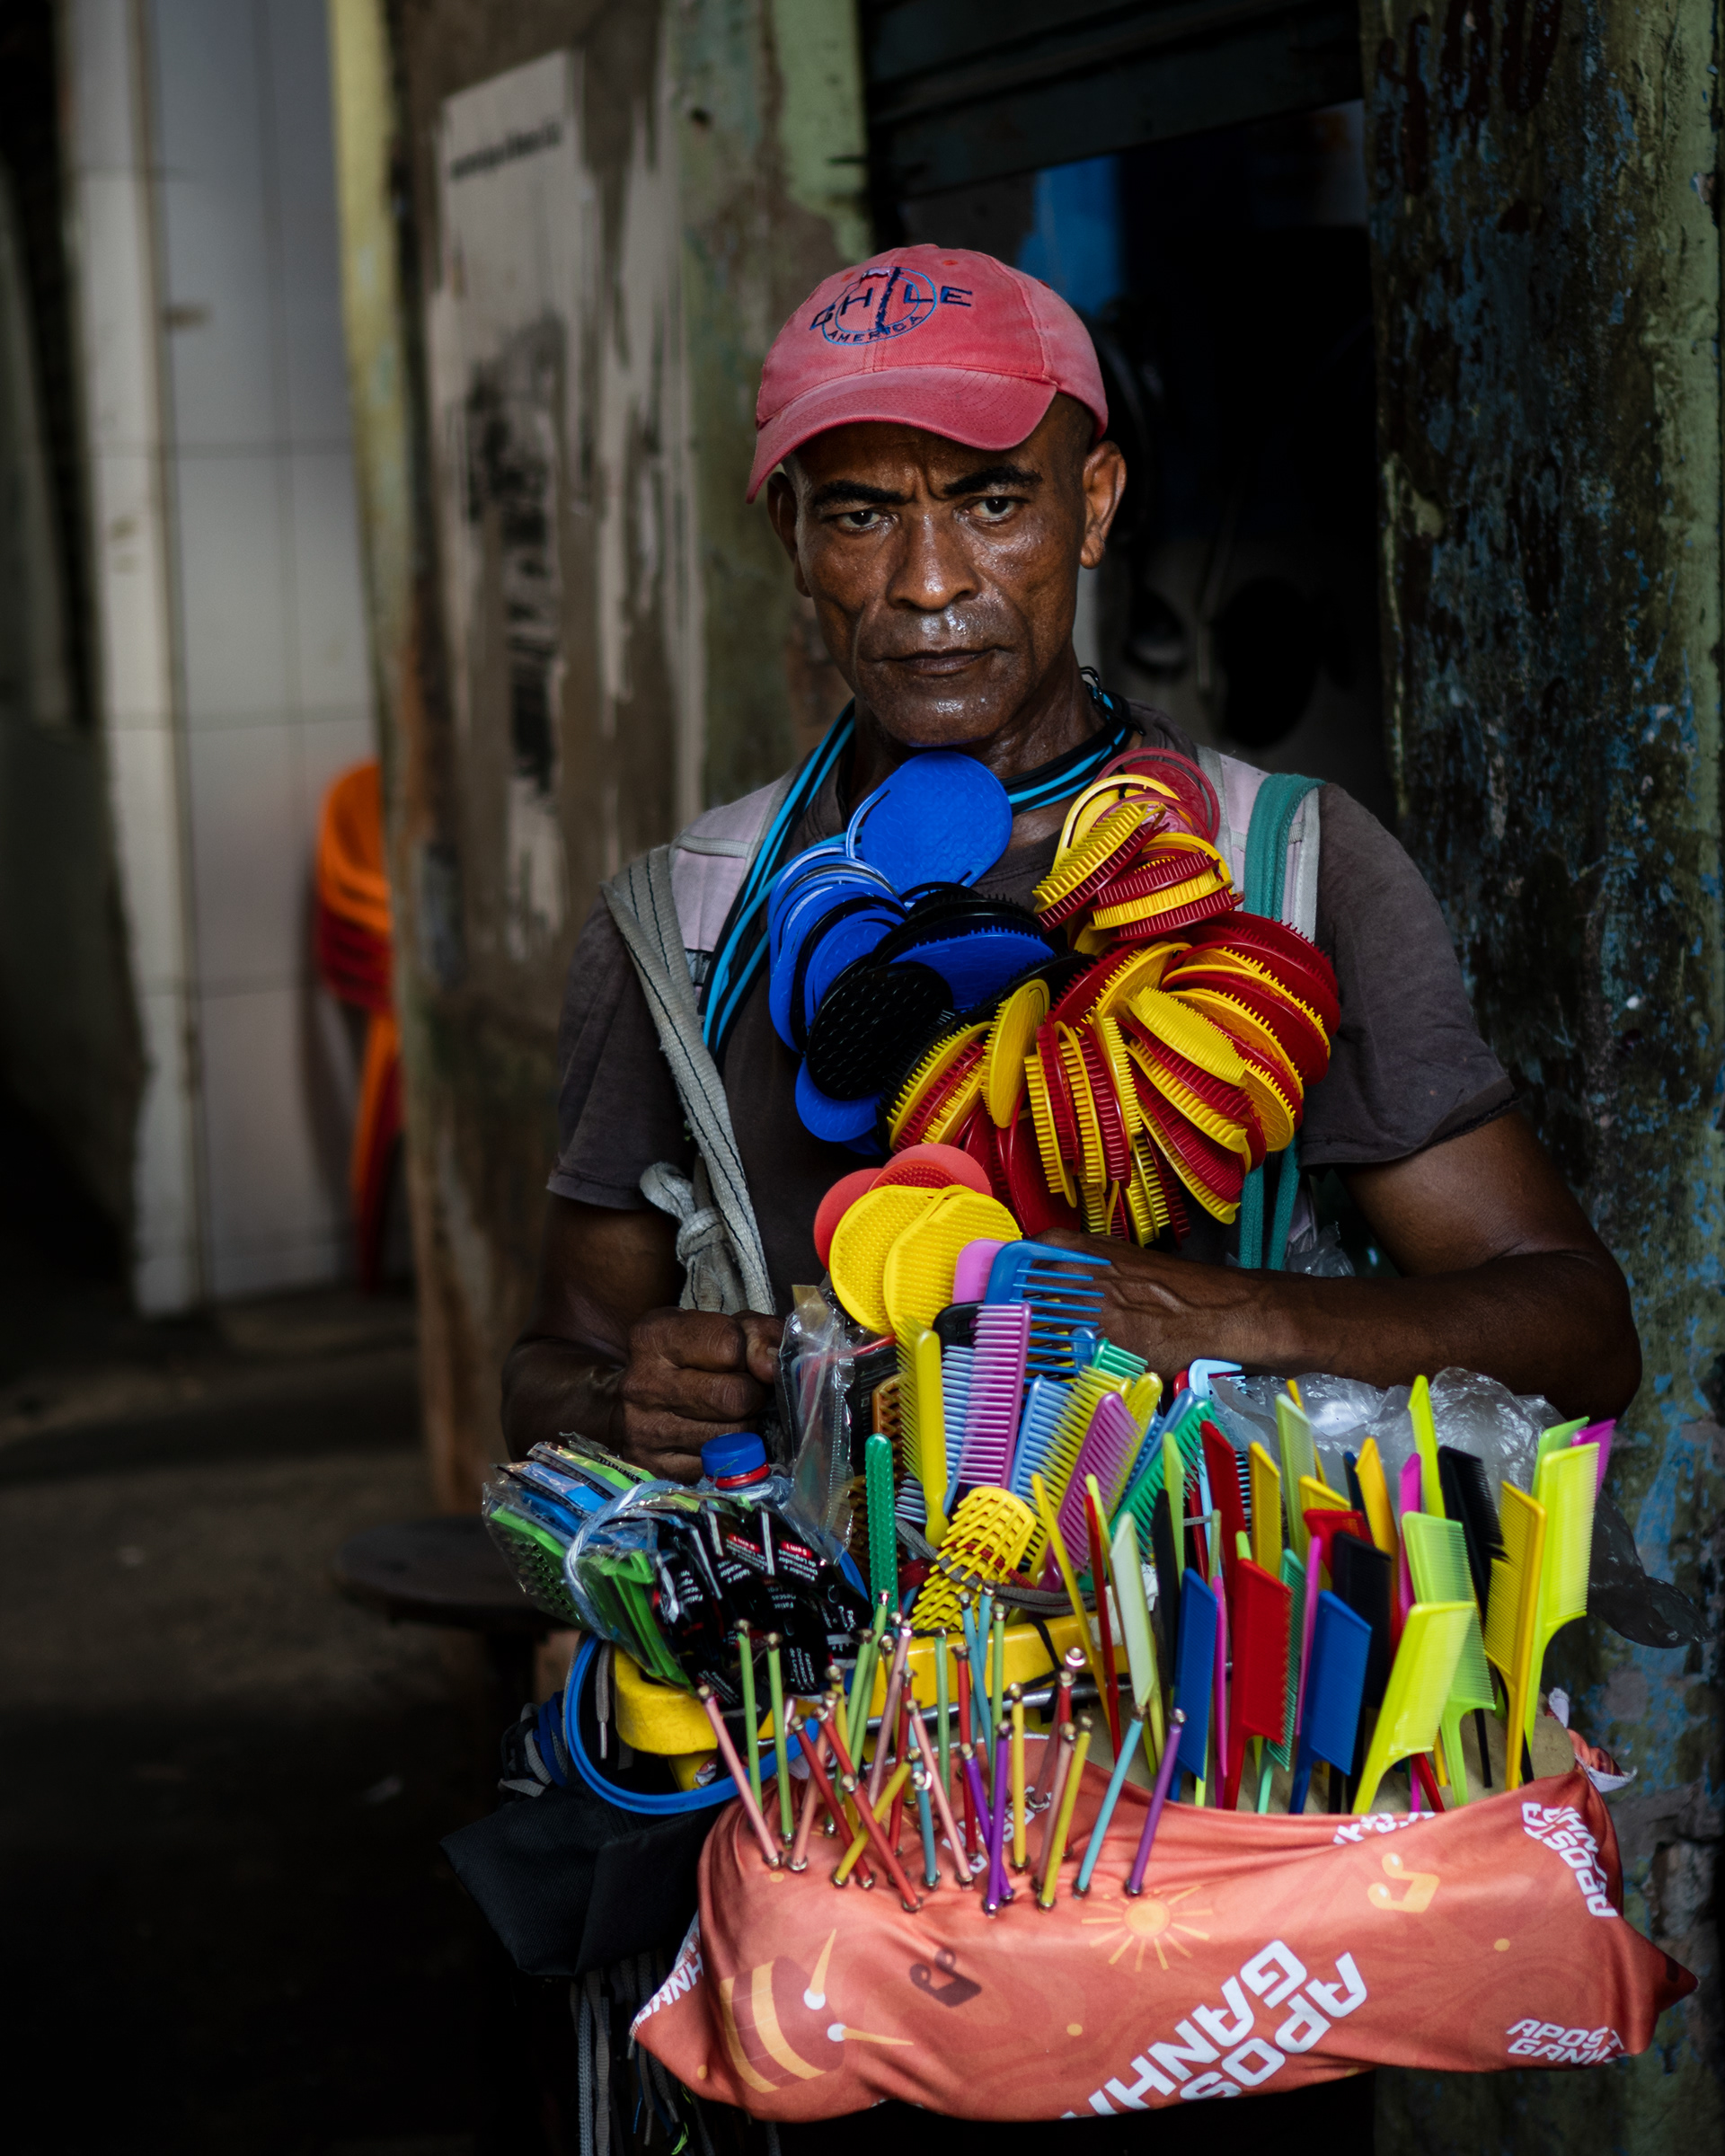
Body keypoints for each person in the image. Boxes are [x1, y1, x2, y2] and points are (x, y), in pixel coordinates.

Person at [502, 244, 1640, 1485]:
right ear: (791, 532)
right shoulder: (688, 922)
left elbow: (1579, 1330)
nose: (929, 582)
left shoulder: (1288, 867)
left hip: (1194, 1660)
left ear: (1092, 506)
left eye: (994, 503)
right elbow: (554, 1361)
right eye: (861, 514)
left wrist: (1217, 1316)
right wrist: (629, 1401)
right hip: (818, 1661)